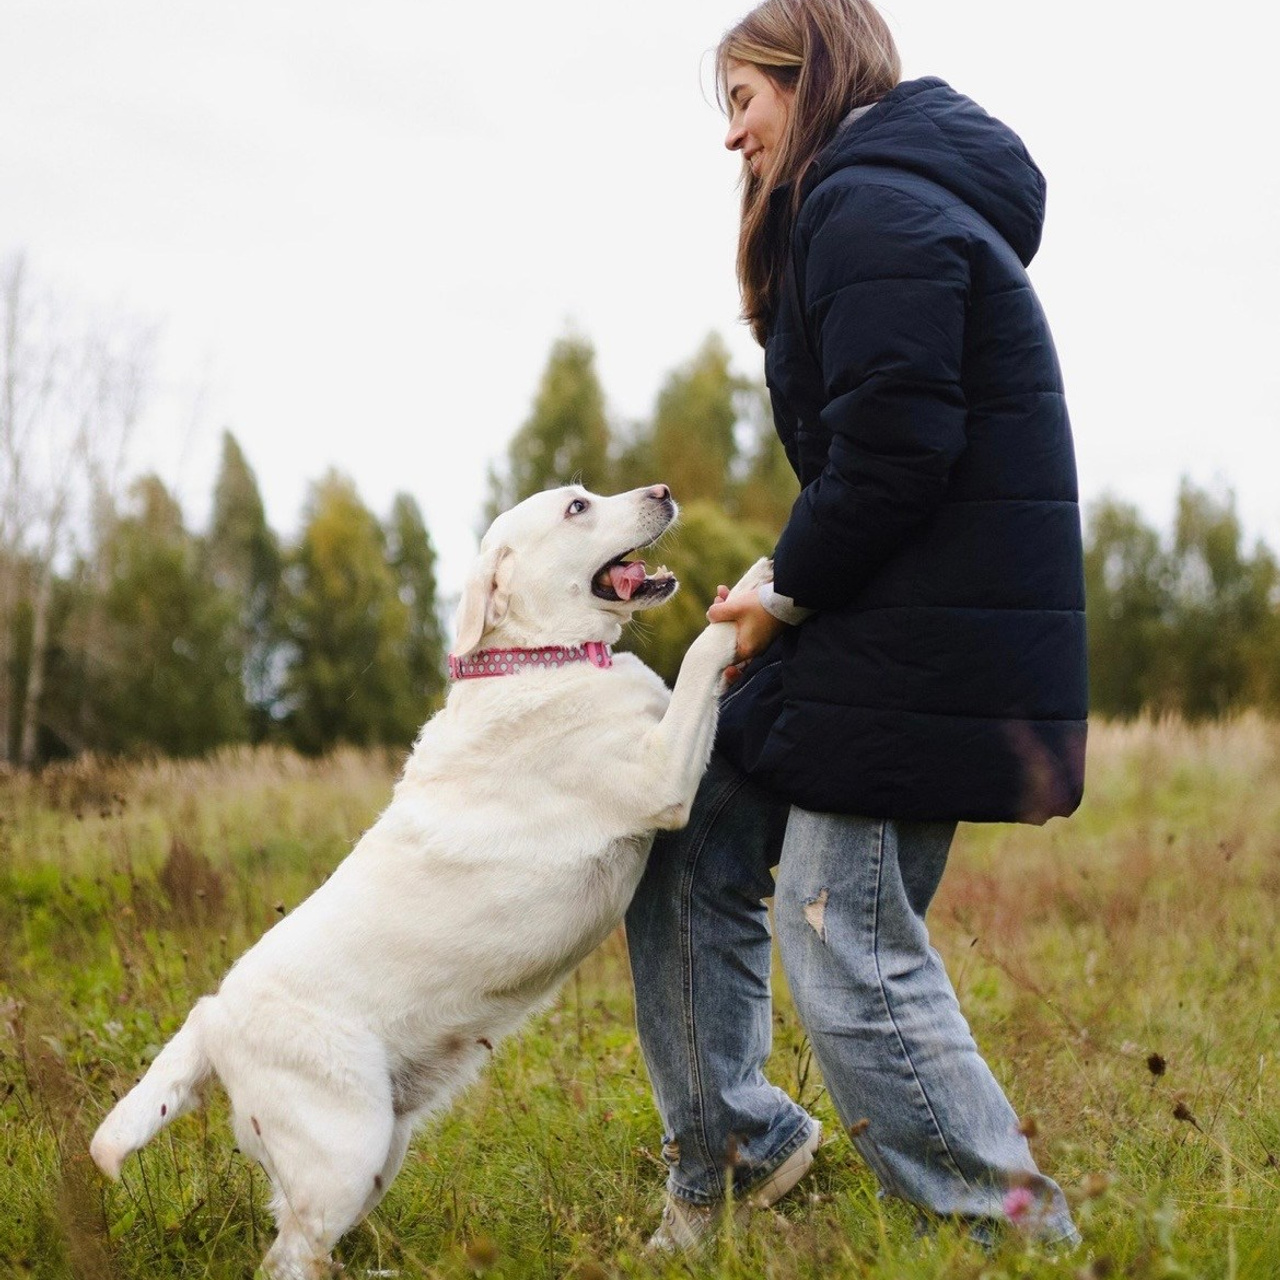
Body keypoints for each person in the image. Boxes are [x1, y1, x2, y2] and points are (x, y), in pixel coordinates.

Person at [624, 0, 1087, 1253]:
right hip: (896, 620)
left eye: (742, 100)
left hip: (925, 645)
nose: (730, 139)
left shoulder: (866, 201)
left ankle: (1012, 1235)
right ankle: (737, 1144)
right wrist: (782, 575)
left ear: (808, 75)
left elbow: (892, 456)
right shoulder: (875, 197)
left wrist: (777, 593)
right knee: (686, 826)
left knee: (843, 930)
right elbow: (885, 452)